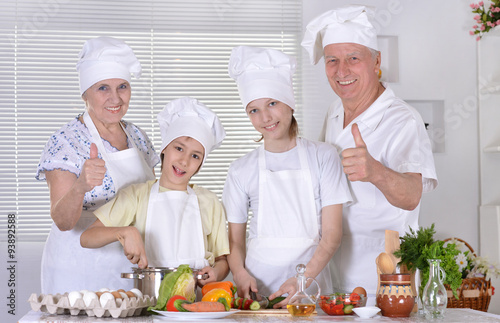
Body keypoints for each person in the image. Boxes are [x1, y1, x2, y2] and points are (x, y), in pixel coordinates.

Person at [301, 5, 438, 304]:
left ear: (376, 61)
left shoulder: (402, 119)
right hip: (331, 263)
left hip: (383, 272)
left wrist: (375, 171)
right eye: (332, 60)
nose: (342, 71)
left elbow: (413, 194)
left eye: (353, 58)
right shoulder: (335, 111)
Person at [223, 46, 352, 307]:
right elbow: (235, 241)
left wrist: (302, 281)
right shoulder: (240, 170)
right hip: (259, 292)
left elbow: (332, 234)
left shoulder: (324, 156)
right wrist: (239, 273)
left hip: (311, 291)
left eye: (272, 103)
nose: (265, 118)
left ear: (290, 104)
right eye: (254, 110)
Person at [35, 36, 159, 294]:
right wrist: (81, 185)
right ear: (85, 93)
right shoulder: (66, 141)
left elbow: (151, 200)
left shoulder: (137, 136)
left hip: (130, 262)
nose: (115, 98)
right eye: (103, 88)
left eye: (122, 87)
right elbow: (63, 221)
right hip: (79, 265)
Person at [80, 97, 230, 284]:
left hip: (197, 302)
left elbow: (222, 260)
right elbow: (87, 238)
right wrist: (126, 232)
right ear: (164, 148)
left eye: (195, 156)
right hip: (149, 300)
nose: (184, 161)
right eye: (179, 148)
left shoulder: (210, 202)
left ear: (200, 164)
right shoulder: (136, 196)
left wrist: (217, 273)